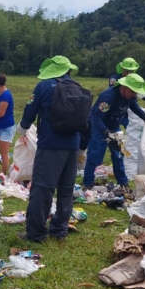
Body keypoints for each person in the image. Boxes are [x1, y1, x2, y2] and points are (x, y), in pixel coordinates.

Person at [16, 55, 85, 243]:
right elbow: (88, 122)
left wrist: (22, 128)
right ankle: (59, 230)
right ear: (69, 70)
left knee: (42, 189)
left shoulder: (44, 86)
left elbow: (29, 111)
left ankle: (36, 233)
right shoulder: (78, 88)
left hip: (50, 146)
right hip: (73, 147)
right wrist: (82, 147)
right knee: (66, 189)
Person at [82, 73, 145, 190]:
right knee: (94, 156)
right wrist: (105, 131)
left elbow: (134, 105)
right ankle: (88, 183)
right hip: (100, 127)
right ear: (124, 87)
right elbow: (96, 117)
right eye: (132, 92)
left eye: (136, 93)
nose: (134, 95)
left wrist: (144, 116)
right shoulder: (108, 97)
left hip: (115, 127)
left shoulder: (129, 97)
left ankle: (123, 182)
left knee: (119, 155)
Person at [108, 57, 145, 130]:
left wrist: (144, 94)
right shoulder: (114, 78)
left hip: (130, 110)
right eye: (126, 71)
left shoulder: (136, 80)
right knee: (115, 132)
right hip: (116, 110)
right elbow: (113, 90)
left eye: (131, 71)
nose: (128, 73)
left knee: (133, 130)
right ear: (122, 68)